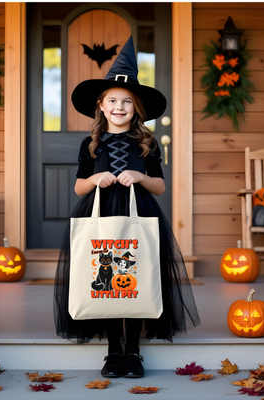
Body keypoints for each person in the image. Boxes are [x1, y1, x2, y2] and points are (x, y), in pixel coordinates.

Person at [54, 36, 200, 379]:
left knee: (133, 278)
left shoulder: (146, 143)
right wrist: (96, 179)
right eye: (112, 101)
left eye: (127, 102)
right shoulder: (90, 144)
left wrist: (139, 175)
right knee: (104, 280)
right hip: (101, 214)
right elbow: (78, 185)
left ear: (137, 108)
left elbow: (160, 186)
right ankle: (112, 351)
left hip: (140, 215)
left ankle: (133, 350)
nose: (119, 107)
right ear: (101, 106)